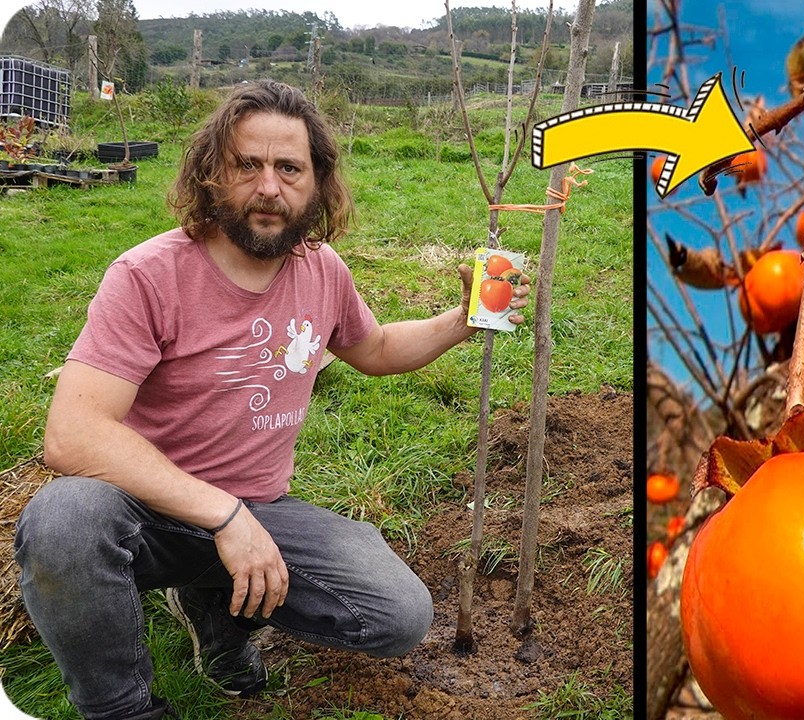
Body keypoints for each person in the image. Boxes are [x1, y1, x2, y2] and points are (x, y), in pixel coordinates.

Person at [14, 79, 531, 720]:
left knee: (399, 615)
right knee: (63, 521)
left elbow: (373, 350)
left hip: (262, 509)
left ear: (317, 183)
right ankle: (123, 707)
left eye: (289, 168)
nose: (268, 187)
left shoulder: (321, 269)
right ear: (211, 174)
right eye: (246, 165)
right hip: (141, 512)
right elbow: (72, 434)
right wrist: (224, 517)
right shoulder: (147, 276)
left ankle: (215, 610)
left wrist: (463, 319)